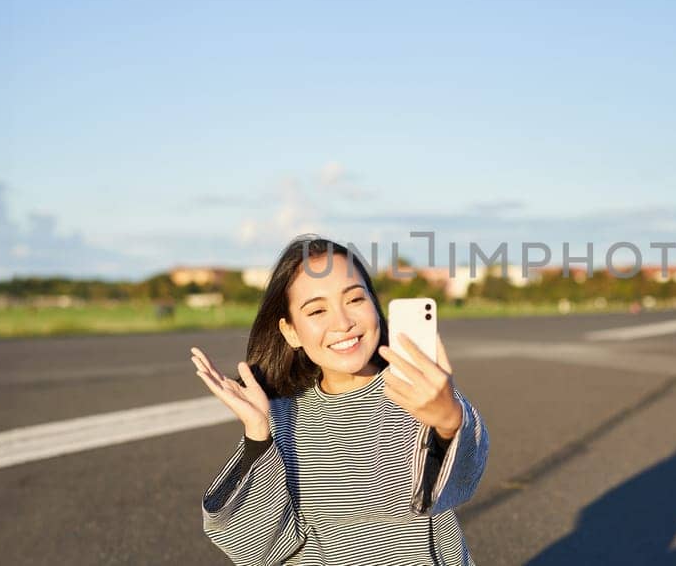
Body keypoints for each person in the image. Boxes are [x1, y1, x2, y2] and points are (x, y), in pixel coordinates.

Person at [189, 235, 489, 565]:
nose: (343, 323)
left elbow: (460, 481)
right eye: (317, 309)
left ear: (375, 306)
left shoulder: (420, 392)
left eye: (355, 299)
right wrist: (258, 435)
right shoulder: (282, 416)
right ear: (291, 332)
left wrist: (448, 421)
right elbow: (262, 547)